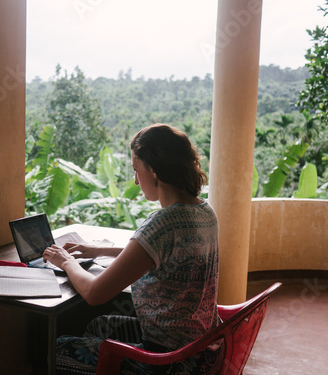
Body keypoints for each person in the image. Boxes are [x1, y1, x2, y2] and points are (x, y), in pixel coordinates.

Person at [43, 123, 223, 374]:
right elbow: (161, 254)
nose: (136, 180)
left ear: (154, 170)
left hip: (168, 358)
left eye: (137, 170)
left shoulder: (162, 223)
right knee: (99, 326)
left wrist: (65, 261)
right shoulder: (205, 210)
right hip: (199, 346)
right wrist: (97, 250)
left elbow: (95, 293)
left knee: (59, 348)